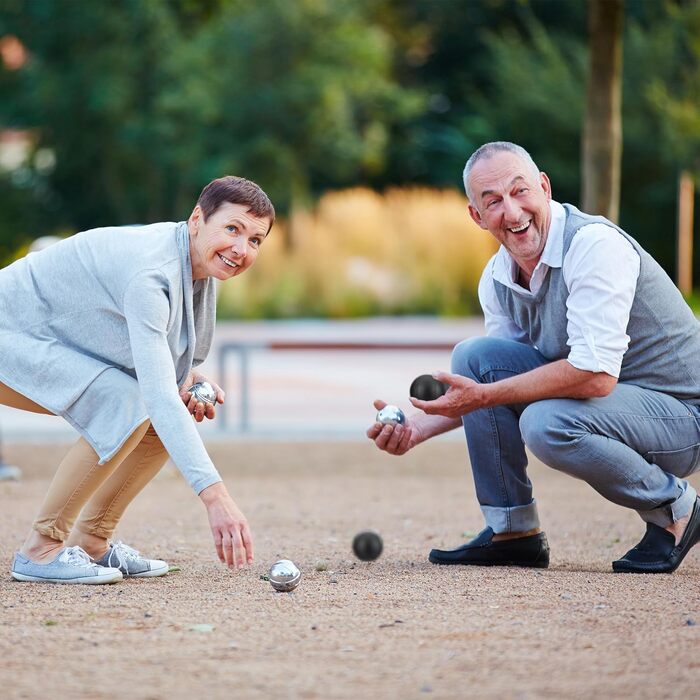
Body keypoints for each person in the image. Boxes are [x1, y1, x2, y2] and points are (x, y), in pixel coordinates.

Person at [368, 141, 700, 574]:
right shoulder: (498, 278)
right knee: (475, 356)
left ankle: (677, 509)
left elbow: (595, 376)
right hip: (616, 407)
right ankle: (513, 532)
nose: (512, 211)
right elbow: (491, 389)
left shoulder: (593, 246)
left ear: (544, 187)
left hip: (683, 416)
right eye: (493, 202)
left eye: (520, 191)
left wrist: (482, 396)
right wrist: (417, 428)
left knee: (547, 423)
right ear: (477, 216)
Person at [1, 176, 274, 584]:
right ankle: (40, 551)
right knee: (126, 402)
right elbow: (156, 392)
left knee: (161, 408)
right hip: (12, 334)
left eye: (255, 240)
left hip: (40, 339)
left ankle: (93, 541)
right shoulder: (153, 273)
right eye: (232, 228)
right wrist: (215, 496)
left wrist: (185, 379)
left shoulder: (194, 265)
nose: (241, 248)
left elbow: (161, 372)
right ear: (197, 218)